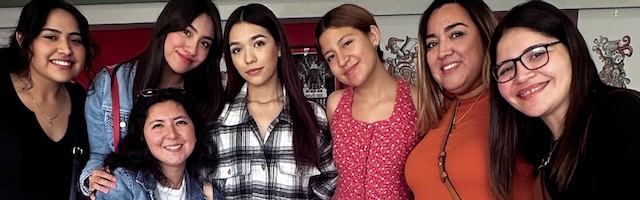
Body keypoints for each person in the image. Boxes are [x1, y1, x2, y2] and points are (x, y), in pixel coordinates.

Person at [489, 1, 640, 199]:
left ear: (571, 48)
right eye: (507, 68)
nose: (522, 76)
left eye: (536, 55)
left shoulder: (618, 112)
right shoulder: (542, 145)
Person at [80, 0, 225, 197]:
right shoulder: (112, 83)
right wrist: (91, 178)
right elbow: (99, 154)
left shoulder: (207, 95)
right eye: (186, 32)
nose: (192, 49)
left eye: (205, 43)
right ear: (166, 27)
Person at [404, 0, 534, 199]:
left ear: (486, 37)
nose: (443, 51)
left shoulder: (517, 105)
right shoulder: (435, 116)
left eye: (456, 34)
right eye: (432, 43)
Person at [210, 3, 338, 199]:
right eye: (237, 50)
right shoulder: (218, 122)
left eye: (258, 43)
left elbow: (329, 188)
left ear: (278, 47)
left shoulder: (313, 117)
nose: (249, 58)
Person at [315, 4, 419, 199]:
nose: (342, 60)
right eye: (331, 56)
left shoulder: (417, 100)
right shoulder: (335, 104)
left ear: (373, 36)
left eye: (347, 43)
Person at [0, 0, 97, 199]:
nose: (66, 49)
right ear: (23, 41)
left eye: (76, 40)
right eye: (51, 37)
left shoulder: (84, 101)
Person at [96, 88, 221, 200]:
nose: (172, 134)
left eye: (180, 122)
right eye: (158, 125)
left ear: (195, 131)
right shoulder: (121, 184)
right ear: (142, 137)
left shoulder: (208, 194)